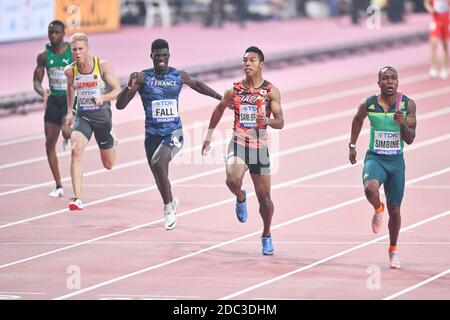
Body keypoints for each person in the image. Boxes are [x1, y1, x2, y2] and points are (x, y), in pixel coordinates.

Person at [116, 39, 222, 230]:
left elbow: (197, 85)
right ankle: (171, 201)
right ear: (151, 56)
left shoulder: (178, 75)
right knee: (159, 175)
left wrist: (220, 99)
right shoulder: (142, 78)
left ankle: (167, 209)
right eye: (157, 55)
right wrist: (128, 86)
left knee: (158, 163)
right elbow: (120, 105)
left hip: (174, 133)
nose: (161, 58)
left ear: (169, 55)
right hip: (151, 135)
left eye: (164, 55)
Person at [202, 46, 284, 255]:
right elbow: (219, 109)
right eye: (245, 60)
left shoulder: (270, 91)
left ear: (261, 65)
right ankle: (240, 196)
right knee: (232, 180)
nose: (247, 63)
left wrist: (266, 120)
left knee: (265, 200)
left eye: (252, 60)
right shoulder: (234, 90)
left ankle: (266, 234)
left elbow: (280, 122)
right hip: (238, 144)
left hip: (260, 148)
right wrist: (209, 135)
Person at [349, 66, 417, 268]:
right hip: (376, 158)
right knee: (370, 188)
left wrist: (403, 122)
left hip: (396, 162)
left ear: (397, 82)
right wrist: (352, 145)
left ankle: (393, 250)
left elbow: (411, 138)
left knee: (395, 210)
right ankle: (378, 209)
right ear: (379, 83)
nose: (389, 82)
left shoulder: (407, 105)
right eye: (385, 79)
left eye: (393, 79)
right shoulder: (368, 104)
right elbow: (357, 119)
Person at [64, 32, 121, 211]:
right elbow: (70, 90)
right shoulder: (70, 71)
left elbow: (117, 90)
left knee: (108, 165)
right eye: (74, 50)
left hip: (102, 119)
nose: (77, 53)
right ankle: (77, 198)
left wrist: (102, 97)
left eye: (80, 49)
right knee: (75, 150)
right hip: (84, 117)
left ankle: (112, 139)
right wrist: (69, 111)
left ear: (87, 49)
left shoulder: (102, 66)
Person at [33, 20, 73, 198]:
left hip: (69, 100)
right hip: (54, 101)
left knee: (66, 131)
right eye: (51, 33)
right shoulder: (43, 56)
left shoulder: (73, 52)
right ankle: (58, 185)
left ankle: (68, 136)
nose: (53, 36)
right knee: (49, 144)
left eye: (57, 32)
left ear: (63, 33)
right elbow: (36, 80)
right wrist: (43, 92)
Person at [424, 0, 449, 79]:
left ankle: (445, 68)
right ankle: (433, 68)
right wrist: (430, 9)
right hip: (436, 20)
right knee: (434, 45)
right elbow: (426, 3)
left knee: (445, 46)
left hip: (446, 20)